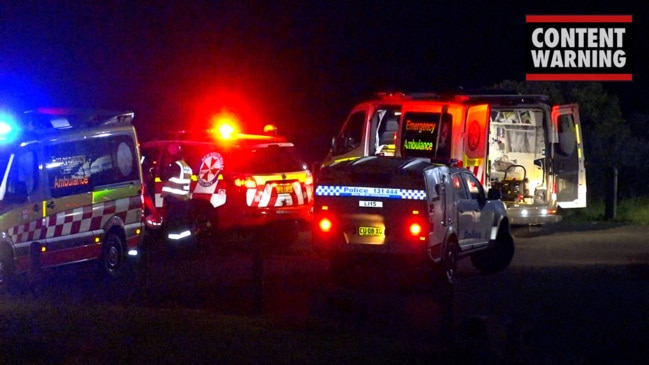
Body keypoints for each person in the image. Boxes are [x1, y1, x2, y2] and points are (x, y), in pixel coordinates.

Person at [161, 143, 193, 240]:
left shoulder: (175, 166)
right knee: (182, 223)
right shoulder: (187, 166)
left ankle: (173, 245)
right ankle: (185, 243)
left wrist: (166, 165)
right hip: (184, 199)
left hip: (174, 200)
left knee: (173, 223)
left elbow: (164, 177)